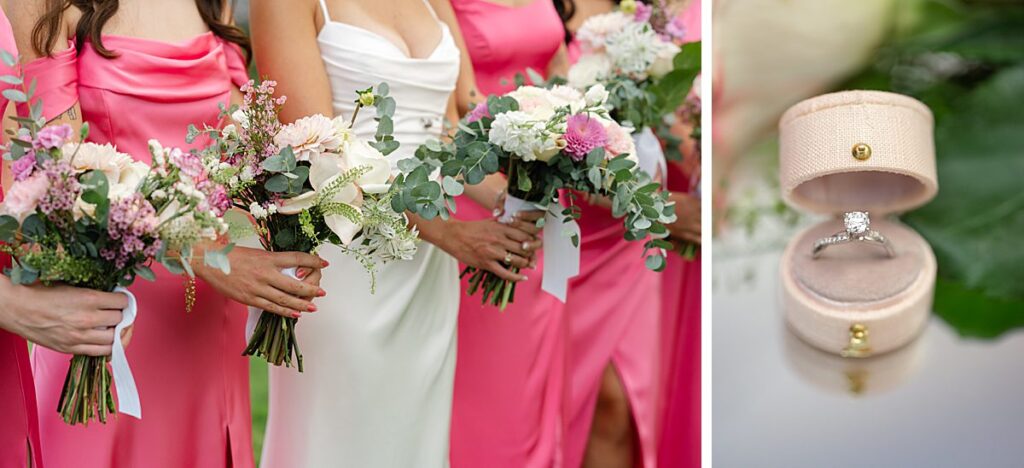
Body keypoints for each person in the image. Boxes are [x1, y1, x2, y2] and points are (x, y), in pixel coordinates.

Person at [10, 1, 325, 466]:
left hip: (208, 323)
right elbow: (58, 166)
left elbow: (244, 142)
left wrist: (289, 229)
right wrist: (212, 258)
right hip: (114, 314)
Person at [249, 0, 541, 466]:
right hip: (345, 260)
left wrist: (516, 201)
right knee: (340, 437)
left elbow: (448, 132)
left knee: (412, 439)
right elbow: (318, 152)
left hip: (426, 266)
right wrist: (451, 233)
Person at [428, 0, 572, 465]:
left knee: (534, 381)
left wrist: (574, 131)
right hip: (479, 184)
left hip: (542, 184)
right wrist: (520, 155)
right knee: (487, 386)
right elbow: (459, 103)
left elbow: (559, 67)